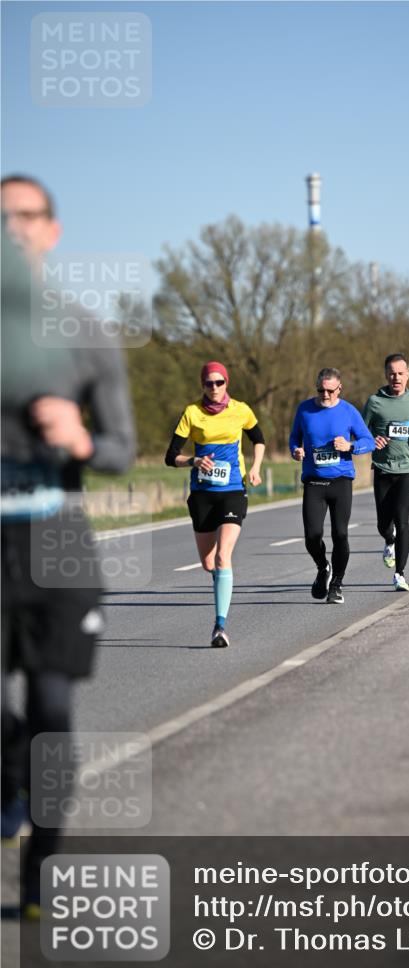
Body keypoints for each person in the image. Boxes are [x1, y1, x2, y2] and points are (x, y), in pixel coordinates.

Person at [1, 176, 136, 916]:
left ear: (51, 230)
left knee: (53, 712)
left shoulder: (83, 332)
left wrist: (78, 436)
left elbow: (122, 449)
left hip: (55, 543)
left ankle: (40, 871)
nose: (11, 230)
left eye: (24, 217)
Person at [165, 362, 265, 647]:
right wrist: (193, 461)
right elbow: (170, 456)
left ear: (227, 383)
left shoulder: (241, 410)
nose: (214, 388)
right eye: (209, 383)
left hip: (233, 489)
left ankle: (220, 626)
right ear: (202, 385)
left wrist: (256, 467)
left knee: (223, 556)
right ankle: (223, 580)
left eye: (219, 383)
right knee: (209, 563)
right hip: (202, 494)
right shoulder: (192, 413)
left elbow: (258, 439)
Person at [290, 367, 375, 604]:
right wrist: (295, 451)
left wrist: (350, 447)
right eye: (320, 390)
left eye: (330, 390)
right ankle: (322, 567)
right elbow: (294, 437)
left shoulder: (348, 411)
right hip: (314, 482)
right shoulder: (305, 409)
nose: (325, 395)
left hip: (340, 481)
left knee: (340, 534)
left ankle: (336, 584)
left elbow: (368, 441)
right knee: (312, 536)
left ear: (339, 389)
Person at [362, 353, 409, 591]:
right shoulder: (374, 401)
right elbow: (361, 430)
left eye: (400, 373)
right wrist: (373, 439)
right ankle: (388, 539)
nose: (396, 377)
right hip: (383, 468)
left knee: (402, 519)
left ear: (407, 375)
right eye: (392, 373)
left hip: (408, 468)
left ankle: (400, 574)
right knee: (384, 523)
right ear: (386, 375)